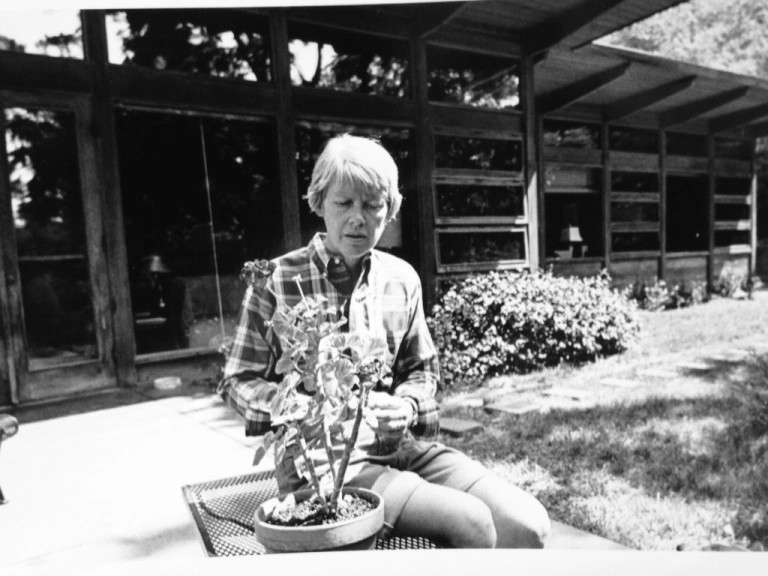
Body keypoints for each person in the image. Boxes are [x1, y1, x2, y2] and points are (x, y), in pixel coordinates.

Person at [219, 134, 550, 548]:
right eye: (344, 203)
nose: (358, 218)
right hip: (325, 467)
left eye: (372, 204)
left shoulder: (402, 278)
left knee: (527, 524)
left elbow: (421, 370)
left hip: (401, 447)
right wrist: (293, 406)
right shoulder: (278, 280)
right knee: (471, 522)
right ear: (320, 202)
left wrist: (407, 406)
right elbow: (236, 379)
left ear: (389, 210)